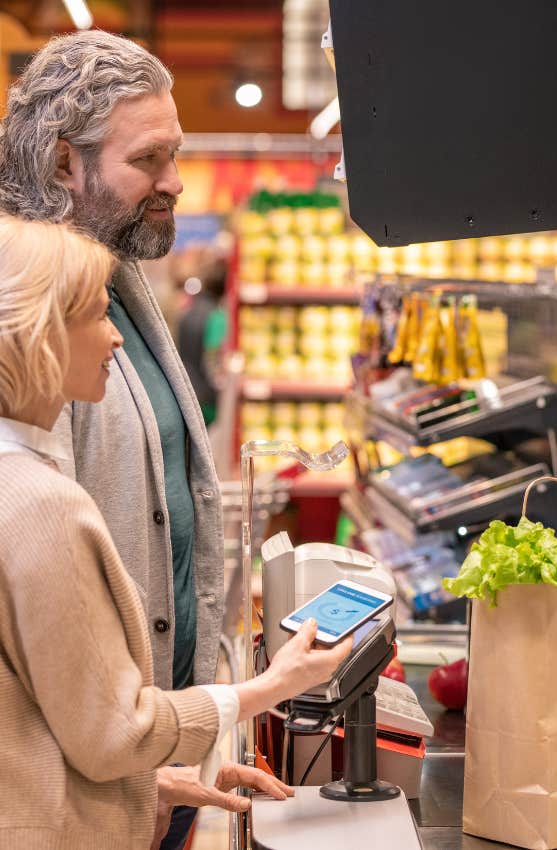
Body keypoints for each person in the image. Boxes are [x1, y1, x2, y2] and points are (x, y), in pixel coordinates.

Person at [0, 215, 353, 850]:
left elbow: (32, 715)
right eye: (95, 316)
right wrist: (272, 686)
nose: (114, 339)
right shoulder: (43, 506)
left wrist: (149, 784)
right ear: (39, 335)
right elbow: (116, 732)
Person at [0, 30, 253, 848]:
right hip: (86, 785)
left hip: (149, 752)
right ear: (65, 165)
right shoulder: (24, 312)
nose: (174, 183)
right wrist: (130, 771)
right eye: (149, 160)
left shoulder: (119, 276)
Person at [177, 259, 228, 426]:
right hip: (205, 396)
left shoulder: (189, 311)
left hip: (185, 388)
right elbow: (211, 356)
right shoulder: (216, 316)